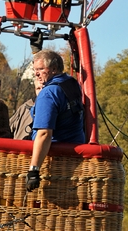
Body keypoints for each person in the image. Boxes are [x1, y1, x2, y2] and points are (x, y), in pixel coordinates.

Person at [26, 50, 85, 191]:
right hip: (75, 155)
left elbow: (44, 134)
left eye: (40, 69)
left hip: (54, 161)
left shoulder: (48, 93)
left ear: (53, 69)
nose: (36, 73)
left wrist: (34, 170)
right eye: (35, 70)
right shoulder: (71, 84)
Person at [9, 75, 44, 140]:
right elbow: (8, 129)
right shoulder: (24, 108)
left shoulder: (54, 110)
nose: (41, 92)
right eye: (38, 88)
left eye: (44, 88)